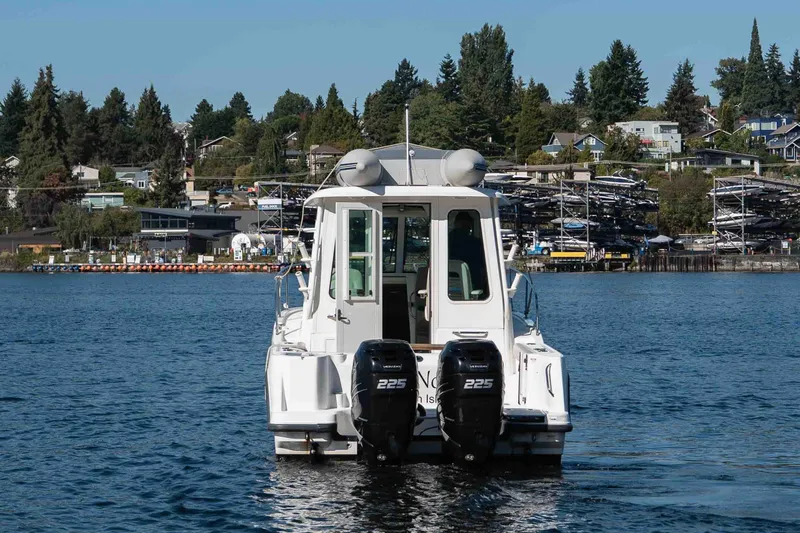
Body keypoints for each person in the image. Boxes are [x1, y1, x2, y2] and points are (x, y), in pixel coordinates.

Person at [448, 211, 487, 299]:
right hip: (471, 287)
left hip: (445, 287)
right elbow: (483, 267)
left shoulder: (443, 242)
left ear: (455, 223)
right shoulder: (475, 244)